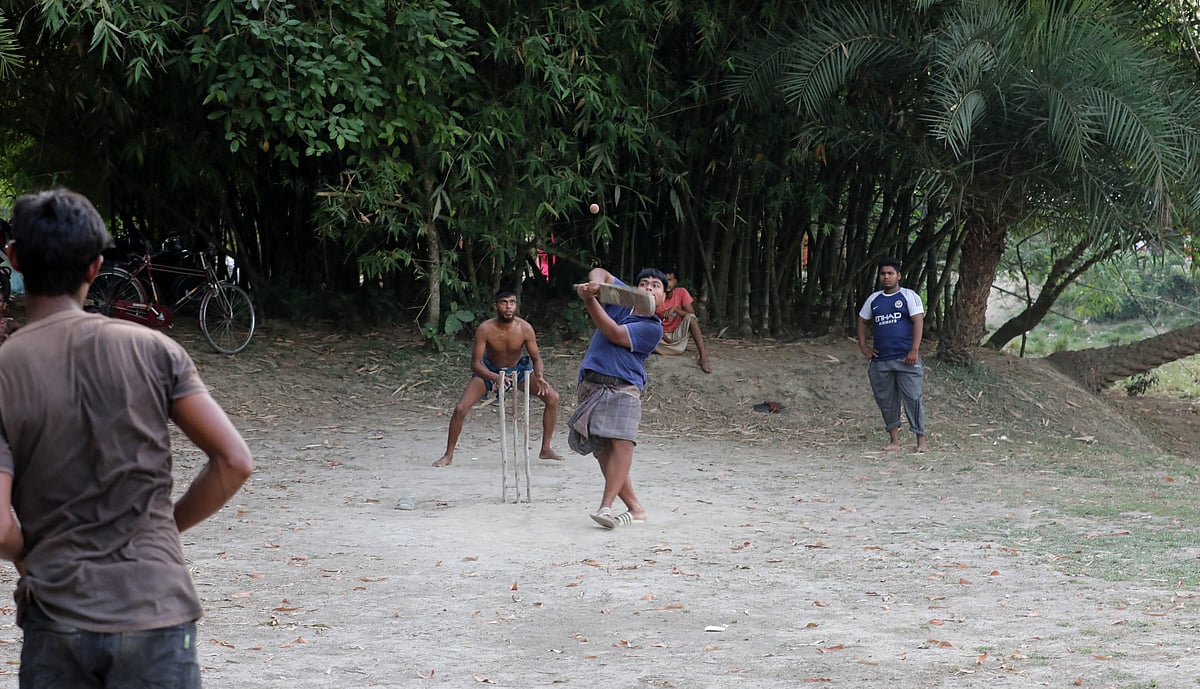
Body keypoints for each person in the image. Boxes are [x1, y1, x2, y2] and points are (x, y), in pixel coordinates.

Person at [0, 188, 254, 688]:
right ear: (96, 267)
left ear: (14, 260)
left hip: (57, 617)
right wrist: (163, 530)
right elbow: (233, 462)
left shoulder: (5, 370)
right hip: (156, 608)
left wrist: (31, 552)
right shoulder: (155, 350)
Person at [568, 267, 665, 528]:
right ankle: (635, 508)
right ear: (634, 290)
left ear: (663, 298)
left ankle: (606, 506)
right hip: (592, 386)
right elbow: (601, 272)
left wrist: (589, 299)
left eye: (656, 285)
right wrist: (594, 285)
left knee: (622, 444)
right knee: (603, 451)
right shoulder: (623, 302)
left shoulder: (652, 327)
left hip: (623, 387)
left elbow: (613, 333)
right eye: (644, 283)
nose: (648, 287)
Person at [432, 290, 564, 467]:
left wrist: (539, 375)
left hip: (518, 370)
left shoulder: (525, 328)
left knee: (553, 397)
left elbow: (536, 358)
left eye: (512, 302)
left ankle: (545, 448)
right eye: (504, 302)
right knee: (461, 408)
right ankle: (448, 455)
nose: (509, 307)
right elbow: (476, 364)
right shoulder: (485, 329)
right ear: (496, 306)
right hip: (490, 370)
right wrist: (494, 377)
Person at [856, 257, 928, 453]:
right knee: (886, 400)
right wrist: (864, 346)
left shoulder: (908, 296)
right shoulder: (874, 299)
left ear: (899, 276)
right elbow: (862, 321)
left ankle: (920, 441)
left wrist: (914, 349)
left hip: (906, 359)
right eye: (883, 274)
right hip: (880, 360)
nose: (886, 277)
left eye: (890, 273)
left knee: (913, 398)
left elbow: (918, 321)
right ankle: (894, 441)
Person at [654, 269, 712, 373]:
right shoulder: (655, 295)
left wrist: (676, 309)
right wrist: (666, 339)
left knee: (692, 319)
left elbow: (691, 315)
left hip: (677, 336)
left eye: (669, 280)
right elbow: (651, 320)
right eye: (664, 280)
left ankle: (703, 357)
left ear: (675, 281)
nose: (667, 283)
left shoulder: (681, 292)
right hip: (660, 338)